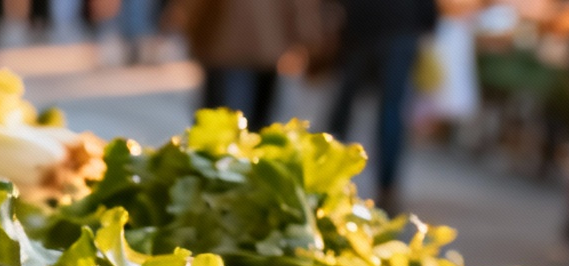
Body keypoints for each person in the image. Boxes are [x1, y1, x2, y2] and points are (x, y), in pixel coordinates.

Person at [326, 0, 437, 214]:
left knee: (345, 104)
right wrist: (427, 23)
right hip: (400, 27)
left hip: (362, 25)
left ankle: (325, 171)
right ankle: (387, 187)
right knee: (390, 111)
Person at [181, 0, 322, 130]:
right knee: (251, 126)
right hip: (262, 44)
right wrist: (309, 35)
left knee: (219, 123)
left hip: (226, 43)